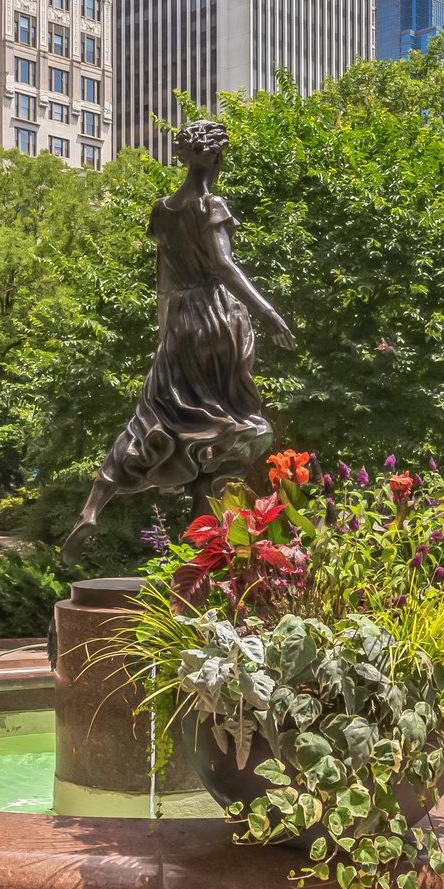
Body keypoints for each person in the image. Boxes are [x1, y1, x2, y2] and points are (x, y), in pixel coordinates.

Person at [62, 120, 294, 561]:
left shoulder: (163, 210)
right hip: (217, 316)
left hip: (179, 322)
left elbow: (163, 280)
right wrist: (268, 312)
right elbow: (224, 266)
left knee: (155, 415)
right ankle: (204, 541)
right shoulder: (212, 204)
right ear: (216, 158)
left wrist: (165, 334)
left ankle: (93, 506)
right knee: (226, 424)